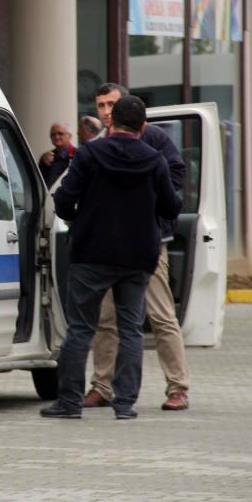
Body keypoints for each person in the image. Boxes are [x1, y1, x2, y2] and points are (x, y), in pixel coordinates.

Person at [41, 95, 182, 420]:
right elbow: (171, 206)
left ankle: (69, 403)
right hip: (137, 257)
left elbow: (64, 198)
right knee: (131, 328)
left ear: (112, 122)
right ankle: (124, 405)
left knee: (80, 328)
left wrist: (78, 220)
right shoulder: (154, 159)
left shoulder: (89, 153)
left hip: (91, 253)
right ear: (143, 126)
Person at [85, 82, 191, 411]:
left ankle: (178, 388)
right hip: (108, 248)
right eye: (100, 105)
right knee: (105, 319)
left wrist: (152, 211)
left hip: (149, 243)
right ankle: (102, 386)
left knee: (160, 316)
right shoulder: (98, 145)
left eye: (111, 104)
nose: (105, 111)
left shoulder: (154, 137)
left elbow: (176, 176)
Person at [38, 122, 75, 187]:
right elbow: (40, 181)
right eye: (53, 134)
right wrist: (44, 165)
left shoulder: (78, 155)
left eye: (60, 134)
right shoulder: (46, 157)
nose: (56, 137)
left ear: (69, 136)